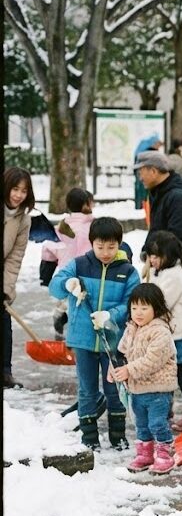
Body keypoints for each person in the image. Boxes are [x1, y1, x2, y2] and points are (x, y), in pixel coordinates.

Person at [50, 217, 141, 450]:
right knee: (87, 388)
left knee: (115, 388)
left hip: (114, 342)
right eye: (100, 246)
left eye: (111, 246)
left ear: (119, 244)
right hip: (83, 338)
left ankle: (118, 435)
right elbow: (55, 284)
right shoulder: (79, 264)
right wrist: (69, 283)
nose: (106, 252)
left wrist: (111, 315)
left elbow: (132, 303)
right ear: (92, 243)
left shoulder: (128, 271)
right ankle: (89, 438)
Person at [111, 283, 177, 475]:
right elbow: (122, 352)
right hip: (137, 388)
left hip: (158, 389)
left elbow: (152, 361)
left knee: (157, 423)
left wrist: (128, 370)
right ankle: (145, 454)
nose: (138, 313)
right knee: (141, 424)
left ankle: (165, 454)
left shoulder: (160, 332)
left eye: (144, 308)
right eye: (134, 308)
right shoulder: (131, 328)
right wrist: (115, 368)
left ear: (156, 308)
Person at [145, 231, 182, 433]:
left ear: (168, 256)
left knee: (179, 376)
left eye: (156, 256)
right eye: (150, 255)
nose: (151, 260)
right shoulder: (163, 272)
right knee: (170, 375)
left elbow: (160, 302)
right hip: (174, 334)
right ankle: (167, 412)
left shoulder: (175, 275)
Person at [136, 150, 182, 298]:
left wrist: (154, 254)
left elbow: (178, 236)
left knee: (179, 318)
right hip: (166, 265)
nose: (140, 178)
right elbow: (156, 228)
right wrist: (147, 252)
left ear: (153, 171)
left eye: (141, 172)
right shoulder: (159, 192)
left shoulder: (176, 197)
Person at [40, 188, 95, 340]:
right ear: (86, 204)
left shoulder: (62, 227)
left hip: (66, 274)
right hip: (88, 274)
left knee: (66, 300)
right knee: (84, 306)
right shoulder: (93, 227)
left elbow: (48, 247)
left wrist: (45, 274)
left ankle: (61, 315)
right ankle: (77, 335)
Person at [3, 167, 34, 389]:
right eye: (15, 189)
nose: (18, 195)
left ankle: (5, 372)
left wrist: (5, 289)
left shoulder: (23, 220)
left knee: (4, 322)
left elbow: (14, 259)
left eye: (24, 191)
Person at [133, 134, 163, 210]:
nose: (159, 147)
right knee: (142, 190)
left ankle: (140, 205)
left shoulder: (143, 147)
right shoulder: (148, 152)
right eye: (158, 145)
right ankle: (141, 205)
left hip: (142, 171)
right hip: (144, 172)